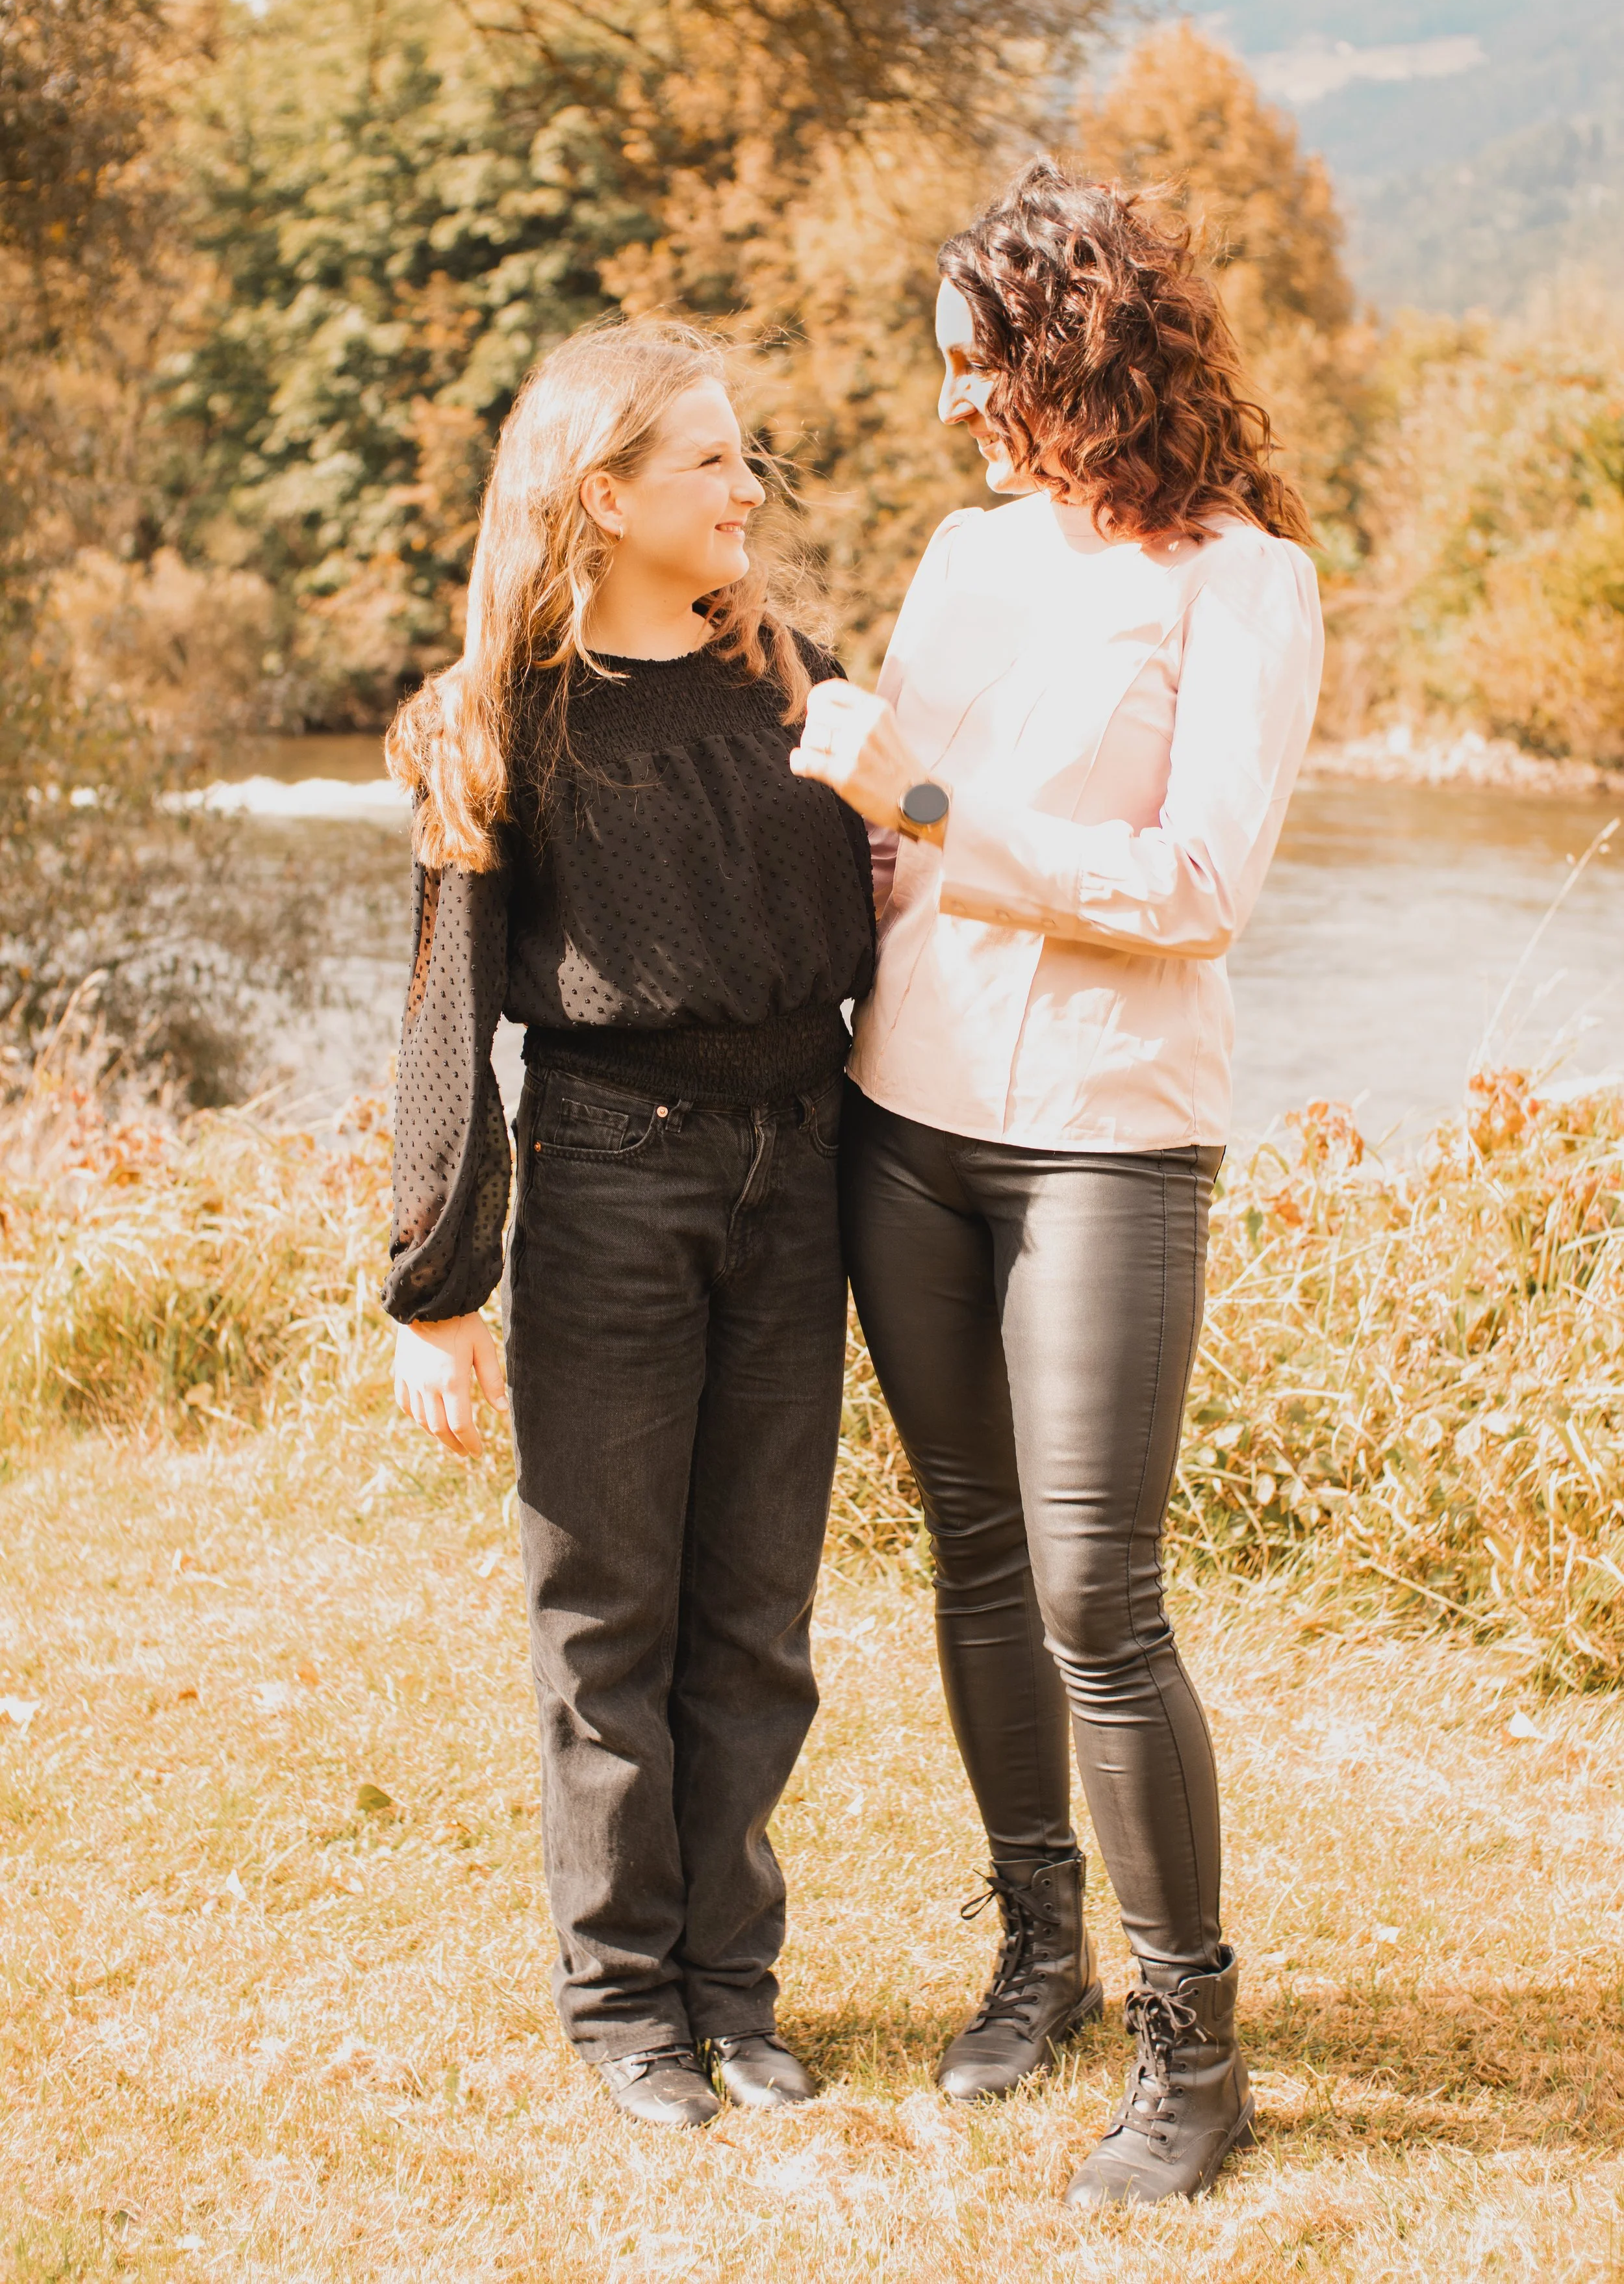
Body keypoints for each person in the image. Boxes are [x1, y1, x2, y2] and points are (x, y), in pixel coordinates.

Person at [790, 159, 1323, 2206]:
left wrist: (925, 802)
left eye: (975, 362)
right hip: (903, 1114)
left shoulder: (1240, 580)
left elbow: (1193, 888)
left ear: (1078, 348)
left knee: (1100, 1587)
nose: (949, 402)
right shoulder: (960, 557)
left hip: (1106, 1129)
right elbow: (880, 851)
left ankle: (1196, 2048)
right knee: (975, 1551)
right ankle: (1040, 1954)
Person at [383, 322, 874, 2130]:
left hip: (800, 1171)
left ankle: (733, 1991)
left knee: (755, 1611)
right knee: (605, 1612)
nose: (749, 488)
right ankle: (622, 2006)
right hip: (611, 1172)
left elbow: (908, 892)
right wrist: (437, 1287)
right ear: (602, 495)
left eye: (746, 456)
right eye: (710, 462)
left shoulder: (797, 685)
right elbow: (447, 1012)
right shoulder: (501, 724)